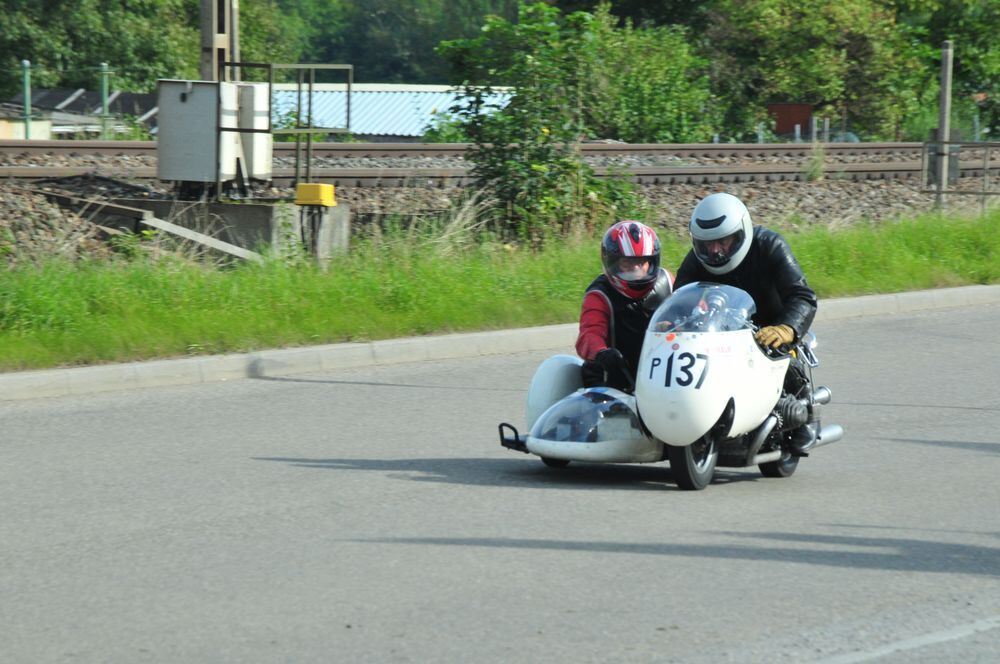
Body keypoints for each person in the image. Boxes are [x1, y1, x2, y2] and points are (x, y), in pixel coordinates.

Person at [673, 192, 819, 452]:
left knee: (781, 352)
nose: (715, 250)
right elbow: (680, 302)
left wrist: (787, 327)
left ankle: (804, 417)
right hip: (720, 331)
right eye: (707, 244)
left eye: (723, 242)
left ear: (741, 233)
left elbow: (803, 296)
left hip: (770, 327)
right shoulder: (696, 260)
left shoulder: (770, 246)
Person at [576, 220, 673, 392]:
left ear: (651, 262)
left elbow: (694, 307)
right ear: (612, 262)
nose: (636, 270)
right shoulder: (599, 295)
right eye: (627, 263)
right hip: (618, 380)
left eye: (641, 262)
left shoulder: (668, 281)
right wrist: (601, 353)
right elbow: (589, 334)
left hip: (667, 373)